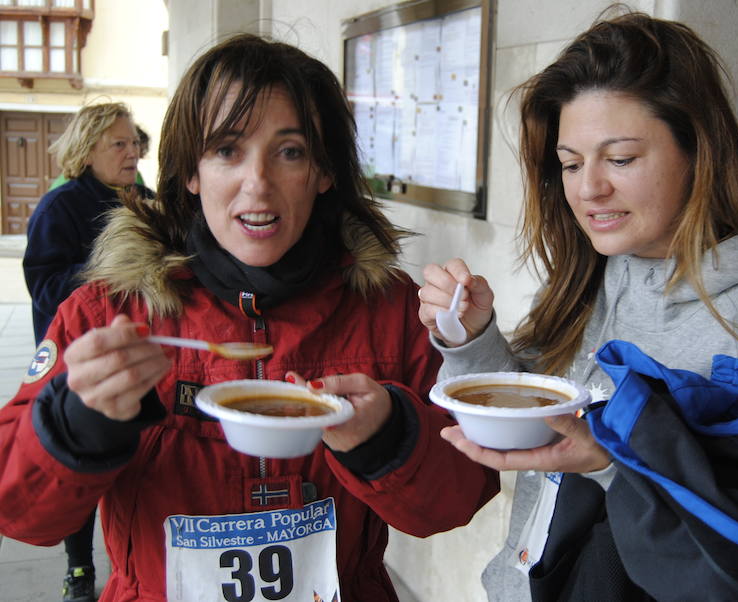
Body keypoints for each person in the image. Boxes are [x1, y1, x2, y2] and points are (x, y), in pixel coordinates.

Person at [0, 33, 498, 602]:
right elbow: (20, 516)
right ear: (191, 170)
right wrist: (75, 421)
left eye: (290, 152)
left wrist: (386, 435)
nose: (257, 184)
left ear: (324, 171)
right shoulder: (108, 313)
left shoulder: (388, 309)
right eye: (226, 150)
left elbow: (458, 500)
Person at [418, 12, 738, 602]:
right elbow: (535, 434)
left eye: (622, 158)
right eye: (572, 163)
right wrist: (471, 337)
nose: (588, 189)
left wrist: (612, 466)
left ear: (697, 147)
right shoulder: (602, 268)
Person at [22, 101, 153, 602]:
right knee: (80, 462)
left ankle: (137, 556)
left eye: (134, 143)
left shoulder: (145, 197)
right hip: (78, 362)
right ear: (87, 150)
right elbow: (46, 285)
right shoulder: (61, 207)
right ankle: (79, 567)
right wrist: (114, 275)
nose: (132, 152)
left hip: (135, 356)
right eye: (118, 144)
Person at [48, 125, 150, 191]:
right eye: (119, 144)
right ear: (87, 154)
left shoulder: (139, 185)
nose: (134, 154)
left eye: (135, 143)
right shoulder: (61, 201)